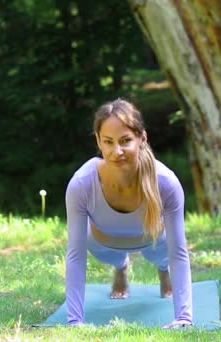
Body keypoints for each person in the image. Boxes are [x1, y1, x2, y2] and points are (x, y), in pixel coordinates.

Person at [64, 98, 193, 328]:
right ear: (98, 141)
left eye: (125, 141)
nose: (117, 151)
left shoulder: (165, 183)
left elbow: (179, 252)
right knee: (100, 249)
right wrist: (75, 321)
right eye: (108, 142)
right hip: (104, 241)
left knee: (162, 255)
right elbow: (75, 255)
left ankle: (163, 271)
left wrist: (184, 317)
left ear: (142, 138)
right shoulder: (82, 183)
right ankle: (121, 267)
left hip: (154, 240)